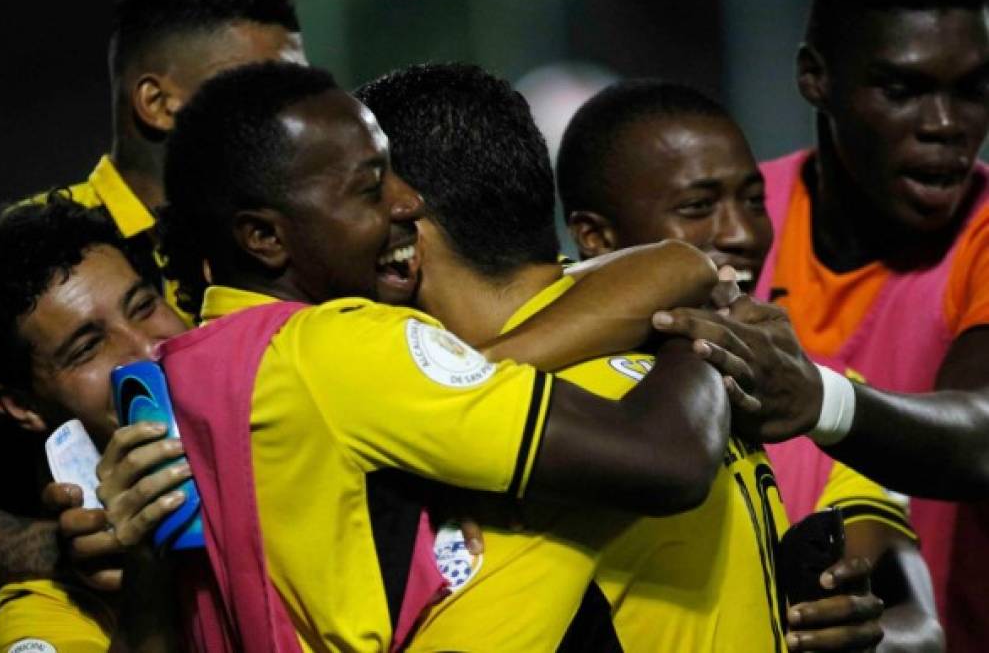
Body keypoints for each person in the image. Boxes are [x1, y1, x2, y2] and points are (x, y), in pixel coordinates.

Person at [150, 60, 735, 651]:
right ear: (264, 237)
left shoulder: (190, 369)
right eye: (370, 186)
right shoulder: (344, 348)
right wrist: (697, 338)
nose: (407, 203)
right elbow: (668, 462)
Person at [356, 62, 888, 653]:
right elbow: (675, 265)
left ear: (401, 225)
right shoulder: (668, 341)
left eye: (353, 198)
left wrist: (470, 378)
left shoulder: (540, 439)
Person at [629, 0, 989, 649]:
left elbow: (982, 435)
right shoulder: (728, 221)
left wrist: (821, 399)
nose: (945, 124)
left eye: (971, 89)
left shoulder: (981, 235)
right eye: (902, 89)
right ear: (814, 77)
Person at [559, 78, 942, 652]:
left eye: (754, 200)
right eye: (698, 207)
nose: (741, 233)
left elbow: (920, 621)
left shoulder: (824, 400)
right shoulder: (543, 393)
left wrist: (870, 633)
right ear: (594, 235)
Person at [0, 0, 309, 604]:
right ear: (157, 102)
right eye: (258, 93)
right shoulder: (8, 272)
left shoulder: (294, 236)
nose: (293, 116)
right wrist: (45, 548)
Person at [0, 197, 192, 652]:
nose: (145, 349)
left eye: (143, 306)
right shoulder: (37, 617)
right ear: (20, 406)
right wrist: (147, 575)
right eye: (87, 348)